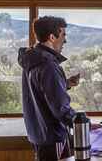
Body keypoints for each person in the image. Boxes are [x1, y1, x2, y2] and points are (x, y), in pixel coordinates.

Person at [18, 16, 80, 161]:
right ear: (52, 37)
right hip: (53, 136)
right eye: (63, 35)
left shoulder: (32, 58)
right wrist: (83, 123)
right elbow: (60, 108)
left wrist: (65, 84)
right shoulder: (49, 65)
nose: (65, 40)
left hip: (38, 134)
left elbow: (40, 89)